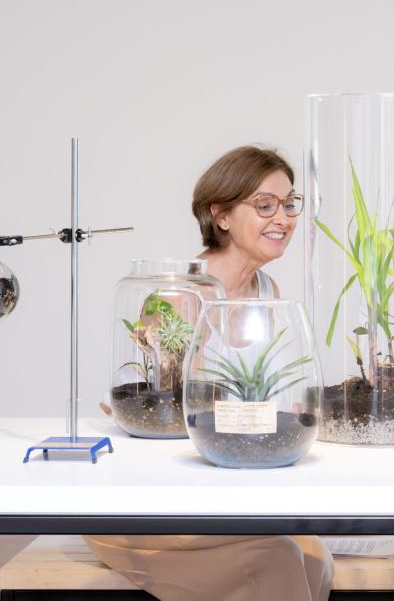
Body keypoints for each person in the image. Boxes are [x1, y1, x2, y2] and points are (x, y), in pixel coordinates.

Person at [85, 145, 334, 601]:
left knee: (317, 556)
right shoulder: (179, 297)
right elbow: (153, 413)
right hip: (157, 499)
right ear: (220, 216)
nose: (283, 218)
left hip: (226, 488)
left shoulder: (265, 290)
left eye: (289, 204)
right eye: (265, 205)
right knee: (278, 562)